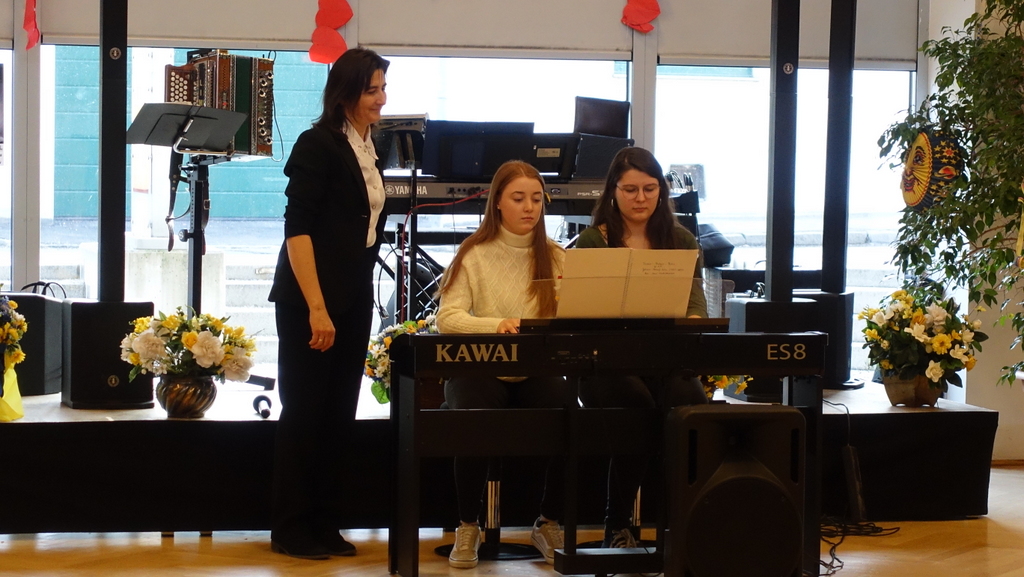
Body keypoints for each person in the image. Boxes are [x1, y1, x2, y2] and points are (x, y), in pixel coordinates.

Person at [267, 47, 390, 560]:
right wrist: (317, 307)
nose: (381, 99)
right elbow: (297, 230)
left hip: (352, 295)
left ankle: (325, 522)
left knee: (340, 413)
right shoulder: (317, 143)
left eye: (383, 88)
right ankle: (291, 527)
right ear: (344, 95)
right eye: (371, 90)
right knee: (305, 413)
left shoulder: (370, 147)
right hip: (310, 299)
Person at [435, 160, 568, 569]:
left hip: (536, 368)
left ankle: (548, 521)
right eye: (518, 198)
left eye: (536, 199)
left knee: (568, 410)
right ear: (497, 203)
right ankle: (467, 525)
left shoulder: (556, 256)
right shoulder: (474, 254)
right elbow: (447, 318)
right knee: (473, 415)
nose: (529, 207)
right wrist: (496, 324)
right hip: (480, 366)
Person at [575, 146, 709, 548]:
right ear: (613, 192)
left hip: (664, 360)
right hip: (606, 365)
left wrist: (694, 324)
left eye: (650, 189)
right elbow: (584, 314)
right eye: (630, 190)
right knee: (636, 404)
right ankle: (616, 524)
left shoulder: (681, 239)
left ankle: (684, 524)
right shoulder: (593, 241)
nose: (641, 198)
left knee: (690, 402)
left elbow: (696, 304)